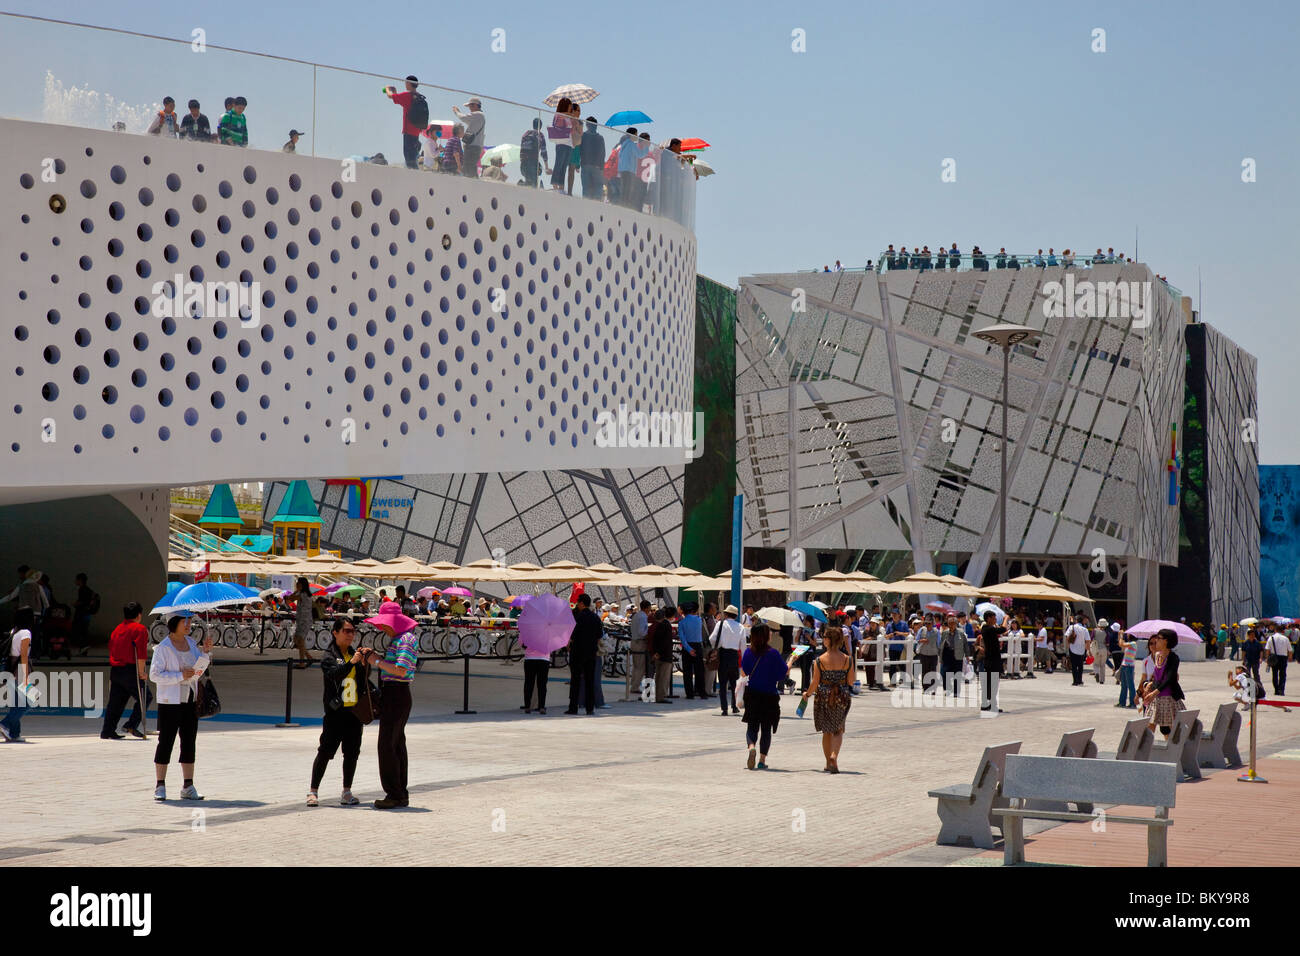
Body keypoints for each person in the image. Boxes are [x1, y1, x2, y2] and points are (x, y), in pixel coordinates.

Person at [150, 613, 213, 801]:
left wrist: (205, 653)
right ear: (173, 623)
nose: (188, 625)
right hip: (170, 701)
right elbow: (155, 675)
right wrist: (179, 676)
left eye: (189, 621)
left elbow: (198, 668)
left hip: (190, 699)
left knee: (189, 741)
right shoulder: (163, 648)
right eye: (184, 621)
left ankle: (188, 784)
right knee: (166, 741)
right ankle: (160, 785)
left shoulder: (192, 643)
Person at [308, 618, 367, 806]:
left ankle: (347, 791)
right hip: (335, 714)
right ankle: (313, 791)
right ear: (335, 633)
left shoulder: (353, 653)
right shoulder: (329, 655)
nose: (351, 635)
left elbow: (363, 679)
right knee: (325, 751)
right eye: (347, 631)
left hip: (354, 712)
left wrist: (364, 664)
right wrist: (352, 663)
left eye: (353, 631)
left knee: (352, 753)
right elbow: (334, 674)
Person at [367, 601, 419, 809]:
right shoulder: (400, 638)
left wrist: (376, 662)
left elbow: (401, 670)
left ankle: (394, 793)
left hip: (397, 694)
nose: (381, 628)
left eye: (383, 624)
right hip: (395, 695)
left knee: (387, 745)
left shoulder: (405, 639)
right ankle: (399, 792)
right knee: (396, 744)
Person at [802, 625, 852, 772]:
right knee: (838, 729)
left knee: (826, 731)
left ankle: (827, 762)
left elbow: (815, 682)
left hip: (824, 696)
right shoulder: (847, 660)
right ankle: (834, 756)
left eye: (824, 637)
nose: (823, 639)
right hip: (841, 696)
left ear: (829, 640)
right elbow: (851, 681)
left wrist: (807, 694)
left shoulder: (820, 660)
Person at [740, 624, 788, 770]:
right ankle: (761, 760)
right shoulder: (773, 653)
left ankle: (751, 747)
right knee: (766, 729)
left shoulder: (748, 652)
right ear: (766, 636)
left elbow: (745, 672)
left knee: (752, 726)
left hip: (753, 694)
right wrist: (790, 662)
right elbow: (782, 674)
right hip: (769, 696)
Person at [101, 602, 151, 740]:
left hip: (116, 670)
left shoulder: (117, 629)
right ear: (139, 615)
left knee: (116, 701)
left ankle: (107, 730)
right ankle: (132, 724)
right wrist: (141, 672)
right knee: (145, 697)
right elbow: (140, 653)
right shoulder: (139, 629)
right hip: (130, 669)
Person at [1139, 629, 1185, 738]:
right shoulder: (1157, 655)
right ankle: (1145, 751)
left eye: (1159, 638)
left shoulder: (1173, 658)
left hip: (1168, 699)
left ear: (1166, 641)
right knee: (1148, 729)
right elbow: (1157, 677)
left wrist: (1154, 692)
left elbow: (1169, 679)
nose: (1156, 641)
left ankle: (1173, 752)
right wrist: (1149, 685)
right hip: (1156, 698)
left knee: (1170, 730)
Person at [0, 608, 34, 742]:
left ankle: (14, 734)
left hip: (9, 667)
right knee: (30, 701)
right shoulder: (26, 633)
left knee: (16, 702)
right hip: (18, 669)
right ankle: (4, 723)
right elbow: (24, 656)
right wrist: (26, 676)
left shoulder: (14, 631)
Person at [565, 594, 601, 716]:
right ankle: (589, 708)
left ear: (581, 603)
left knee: (575, 680)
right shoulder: (595, 617)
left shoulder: (578, 617)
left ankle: (573, 707)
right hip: (591, 653)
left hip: (577, 652)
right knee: (589, 680)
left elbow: (572, 634)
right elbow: (599, 635)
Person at [383, 75, 426, 169]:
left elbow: (391, 96)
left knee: (409, 157)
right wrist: (394, 92)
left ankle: (414, 176)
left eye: (406, 82)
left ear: (409, 84)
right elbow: (396, 98)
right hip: (416, 131)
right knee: (413, 156)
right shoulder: (419, 97)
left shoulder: (407, 96)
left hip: (408, 131)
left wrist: (387, 89)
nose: (405, 84)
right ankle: (415, 173)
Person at [710, 604, 745, 715]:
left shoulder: (720, 624)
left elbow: (712, 639)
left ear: (726, 614)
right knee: (734, 684)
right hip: (734, 656)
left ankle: (724, 709)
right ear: (735, 615)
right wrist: (744, 659)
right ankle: (734, 707)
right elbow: (743, 645)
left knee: (723, 683)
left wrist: (720, 645)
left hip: (723, 655)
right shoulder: (741, 627)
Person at [976, 610, 1005, 712]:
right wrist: (1006, 618)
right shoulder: (988, 629)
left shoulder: (987, 628)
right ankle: (988, 704)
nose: (995, 619)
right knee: (991, 683)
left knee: (991, 683)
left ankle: (990, 704)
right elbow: (1003, 629)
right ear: (988, 618)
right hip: (992, 660)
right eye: (994, 618)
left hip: (992, 659)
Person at [676, 603, 706, 699]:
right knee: (699, 671)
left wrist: (688, 649)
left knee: (687, 672)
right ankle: (702, 692)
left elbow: (682, 638)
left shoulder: (681, 623)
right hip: (698, 646)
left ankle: (689, 694)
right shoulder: (699, 620)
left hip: (687, 646)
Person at [522, 620, 552, 714]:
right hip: (544, 659)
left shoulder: (527, 630)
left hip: (530, 659)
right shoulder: (548, 631)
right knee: (542, 684)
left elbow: (523, 645)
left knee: (528, 683)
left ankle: (527, 706)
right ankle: (542, 706)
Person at [451, 98, 485, 176]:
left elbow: (463, 117)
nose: (469, 109)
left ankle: (472, 184)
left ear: (476, 105)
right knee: (471, 167)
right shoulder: (480, 116)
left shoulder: (477, 115)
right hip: (476, 147)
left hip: (472, 147)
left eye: (470, 106)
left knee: (468, 168)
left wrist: (456, 111)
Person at [625, 599, 650, 700]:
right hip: (640, 642)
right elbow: (641, 632)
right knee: (640, 666)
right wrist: (647, 635)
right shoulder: (643, 616)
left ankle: (634, 684)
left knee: (636, 665)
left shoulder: (636, 615)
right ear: (647, 608)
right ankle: (635, 686)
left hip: (634, 641)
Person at [649, 607, 675, 703]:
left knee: (659, 676)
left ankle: (657, 695)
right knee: (664, 677)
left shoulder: (657, 626)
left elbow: (655, 640)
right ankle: (661, 696)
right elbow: (666, 641)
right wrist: (659, 652)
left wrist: (655, 653)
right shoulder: (666, 625)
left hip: (657, 654)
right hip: (665, 654)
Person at [938, 614, 966, 696]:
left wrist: (967, 655)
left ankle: (956, 691)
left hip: (957, 655)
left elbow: (965, 644)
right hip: (947, 654)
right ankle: (947, 689)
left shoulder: (961, 633)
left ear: (956, 624)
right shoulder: (944, 633)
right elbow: (941, 644)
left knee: (957, 674)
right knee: (944, 673)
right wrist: (940, 654)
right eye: (950, 623)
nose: (952, 625)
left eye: (953, 623)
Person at [291, 578, 316, 669]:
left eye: (298, 583)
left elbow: (290, 598)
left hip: (304, 621)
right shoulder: (304, 594)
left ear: (301, 585)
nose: (296, 584)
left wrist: (296, 591)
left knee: (300, 640)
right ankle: (309, 658)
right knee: (296, 640)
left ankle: (302, 663)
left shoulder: (303, 594)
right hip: (302, 620)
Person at [579, 116, 606, 200]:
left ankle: (585, 207)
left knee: (586, 188)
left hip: (585, 165)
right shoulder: (600, 138)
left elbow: (580, 150)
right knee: (598, 188)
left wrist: (578, 164)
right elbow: (603, 153)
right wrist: (601, 167)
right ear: (596, 126)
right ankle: (597, 206)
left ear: (587, 125)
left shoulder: (583, 136)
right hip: (597, 167)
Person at [520, 117, 550, 188]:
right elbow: (543, 152)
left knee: (528, 183)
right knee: (533, 186)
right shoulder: (540, 135)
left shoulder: (526, 134)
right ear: (541, 126)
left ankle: (522, 184)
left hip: (523, 163)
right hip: (533, 163)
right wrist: (546, 167)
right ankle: (521, 185)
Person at [915, 612, 940, 693]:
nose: (927, 625)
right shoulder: (922, 630)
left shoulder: (936, 631)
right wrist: (922, 640)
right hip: (924, 654)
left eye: (929, 623)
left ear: (932, 623)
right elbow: (917, 639)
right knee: (925, 671)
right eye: (926, 623)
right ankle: (925, 688)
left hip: (933, 654)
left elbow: (939, 643)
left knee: (933, 671)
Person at [71, 572, 96, 656]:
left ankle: (83, 646)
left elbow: (82, 601)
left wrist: (76, 604)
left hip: (81, 613)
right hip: (87, 613)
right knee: (84, 630)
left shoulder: (82, 589)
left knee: (79, 630)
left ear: (80, 580)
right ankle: (83, 649)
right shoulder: (89, 590)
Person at [1265, 625, 1292, 696]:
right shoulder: (1285, 638)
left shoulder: (1271, 638)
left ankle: (1276, 690)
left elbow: (1267, 649)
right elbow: (1290, 650)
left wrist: (1267, 659)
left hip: (1274, 657)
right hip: (1283, 657)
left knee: (1274, 674)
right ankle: (1281, 690)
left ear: (1275, 630)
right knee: (1283, 674)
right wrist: (1290, 657)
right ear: (1282, 631)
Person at [1065, 614, 1090, 685]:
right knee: (1080, 666)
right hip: (1082, 650)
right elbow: (1088, 640)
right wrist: (1088, 650)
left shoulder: (1071, 627)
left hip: (1073, 648)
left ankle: (1075, 681)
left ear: (1076, 620)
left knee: (1074, 666)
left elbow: (1067, 637)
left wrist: (1068, 646)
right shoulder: (1085, 629)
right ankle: (1080, 680)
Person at [1116, 628, 1138, 708]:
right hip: (1125, 665)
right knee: (1124, 685)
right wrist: (1119, 636)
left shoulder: (1133, 643)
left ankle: (1133, 703)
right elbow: (1120, 644)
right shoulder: (1129, 643)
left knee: (1130, 685)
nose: (1127, 635)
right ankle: (1122, 702)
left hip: (1129, 666)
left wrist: (1121, 636)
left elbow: (1122, 644)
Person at [1241, 627, 1264, 693]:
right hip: (1248, 660)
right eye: (1251, 635)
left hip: (1255, 660)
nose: (1252, 636)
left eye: (1253, 635)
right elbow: (1243, 651)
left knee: (1256, 674)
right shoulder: (1246, 643)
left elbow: (1261, 651)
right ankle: (1249, 688)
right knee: (1248, 674)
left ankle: (1259, 687)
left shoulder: (1257, 643)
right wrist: (1243, 660)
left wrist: (1260, 658)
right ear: (1248, 635)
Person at [1091, 617, 1109, 684]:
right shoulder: (1106, 632)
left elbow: (1091, 639)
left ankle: (1097, 673)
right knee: (1102, 665)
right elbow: (1107, 643)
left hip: (1096, 649)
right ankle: (1102, 680)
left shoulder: (1094, 630)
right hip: (1104, 649)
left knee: (1096, 664)